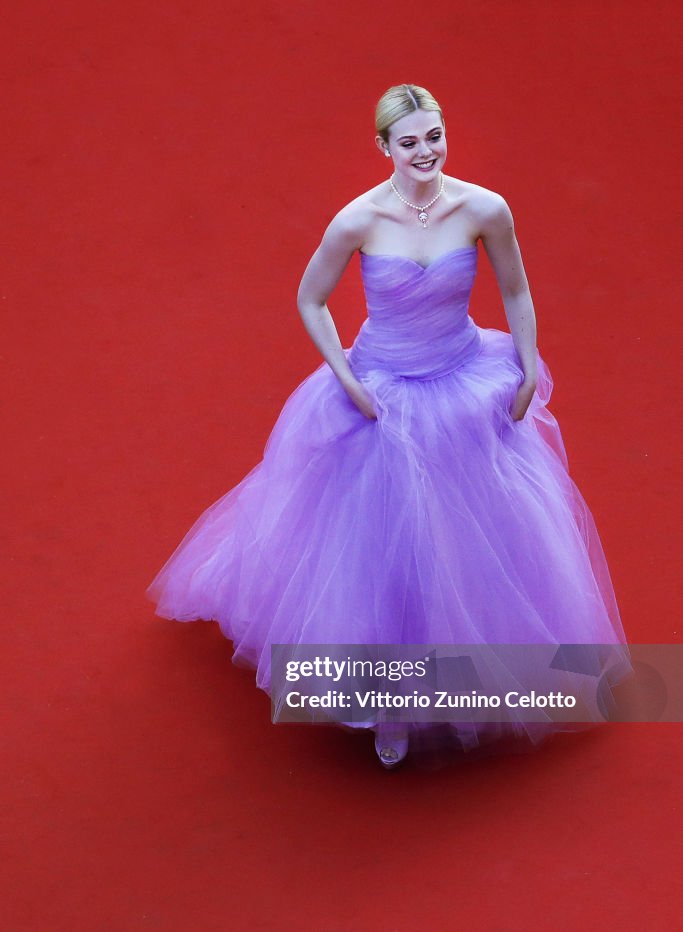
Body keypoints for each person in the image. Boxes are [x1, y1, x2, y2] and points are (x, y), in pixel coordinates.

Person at [146, 83, 628, 770]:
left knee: (470, 549)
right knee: (383, 554)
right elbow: (310, 299)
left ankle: (470, 683)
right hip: (383, 394)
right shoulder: (357, 221)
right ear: (382, 148)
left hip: (462, 386)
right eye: (409, 142)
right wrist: (346, 379)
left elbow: (515, 289)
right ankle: (388, 706)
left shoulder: (484, 208)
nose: (425, 152)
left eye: (434, 137)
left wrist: (525, 367)